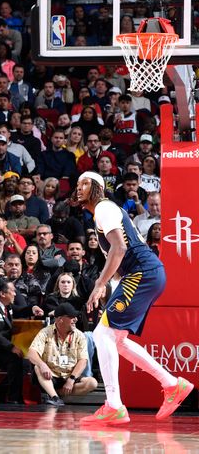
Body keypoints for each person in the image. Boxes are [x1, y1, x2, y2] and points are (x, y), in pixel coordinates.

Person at [74, 171, 194, 424]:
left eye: (85, 183)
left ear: (98, 187)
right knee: (114, 338)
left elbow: (120, 249)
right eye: (77, 184)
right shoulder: (103, 214)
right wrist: (109, 291)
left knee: (102, 334)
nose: (79, 187)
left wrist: (99, 284)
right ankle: (171, 384)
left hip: (144, 272)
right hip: (144, 274)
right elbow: (118, 262)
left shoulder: (105, 207)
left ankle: (114, 405)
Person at [27, 303, 98, 406]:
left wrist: (71, 379)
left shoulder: (79, 335)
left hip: (70, 375)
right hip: (51, 375)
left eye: (75, 316)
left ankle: (57, 394)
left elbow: (83, 360)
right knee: (38, 367)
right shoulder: (45, 332)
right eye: (71, 317)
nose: (75, 319)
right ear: (60, 319)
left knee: (92, 383)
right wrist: (42, 365)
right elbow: (31, 353)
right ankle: (54, 397)